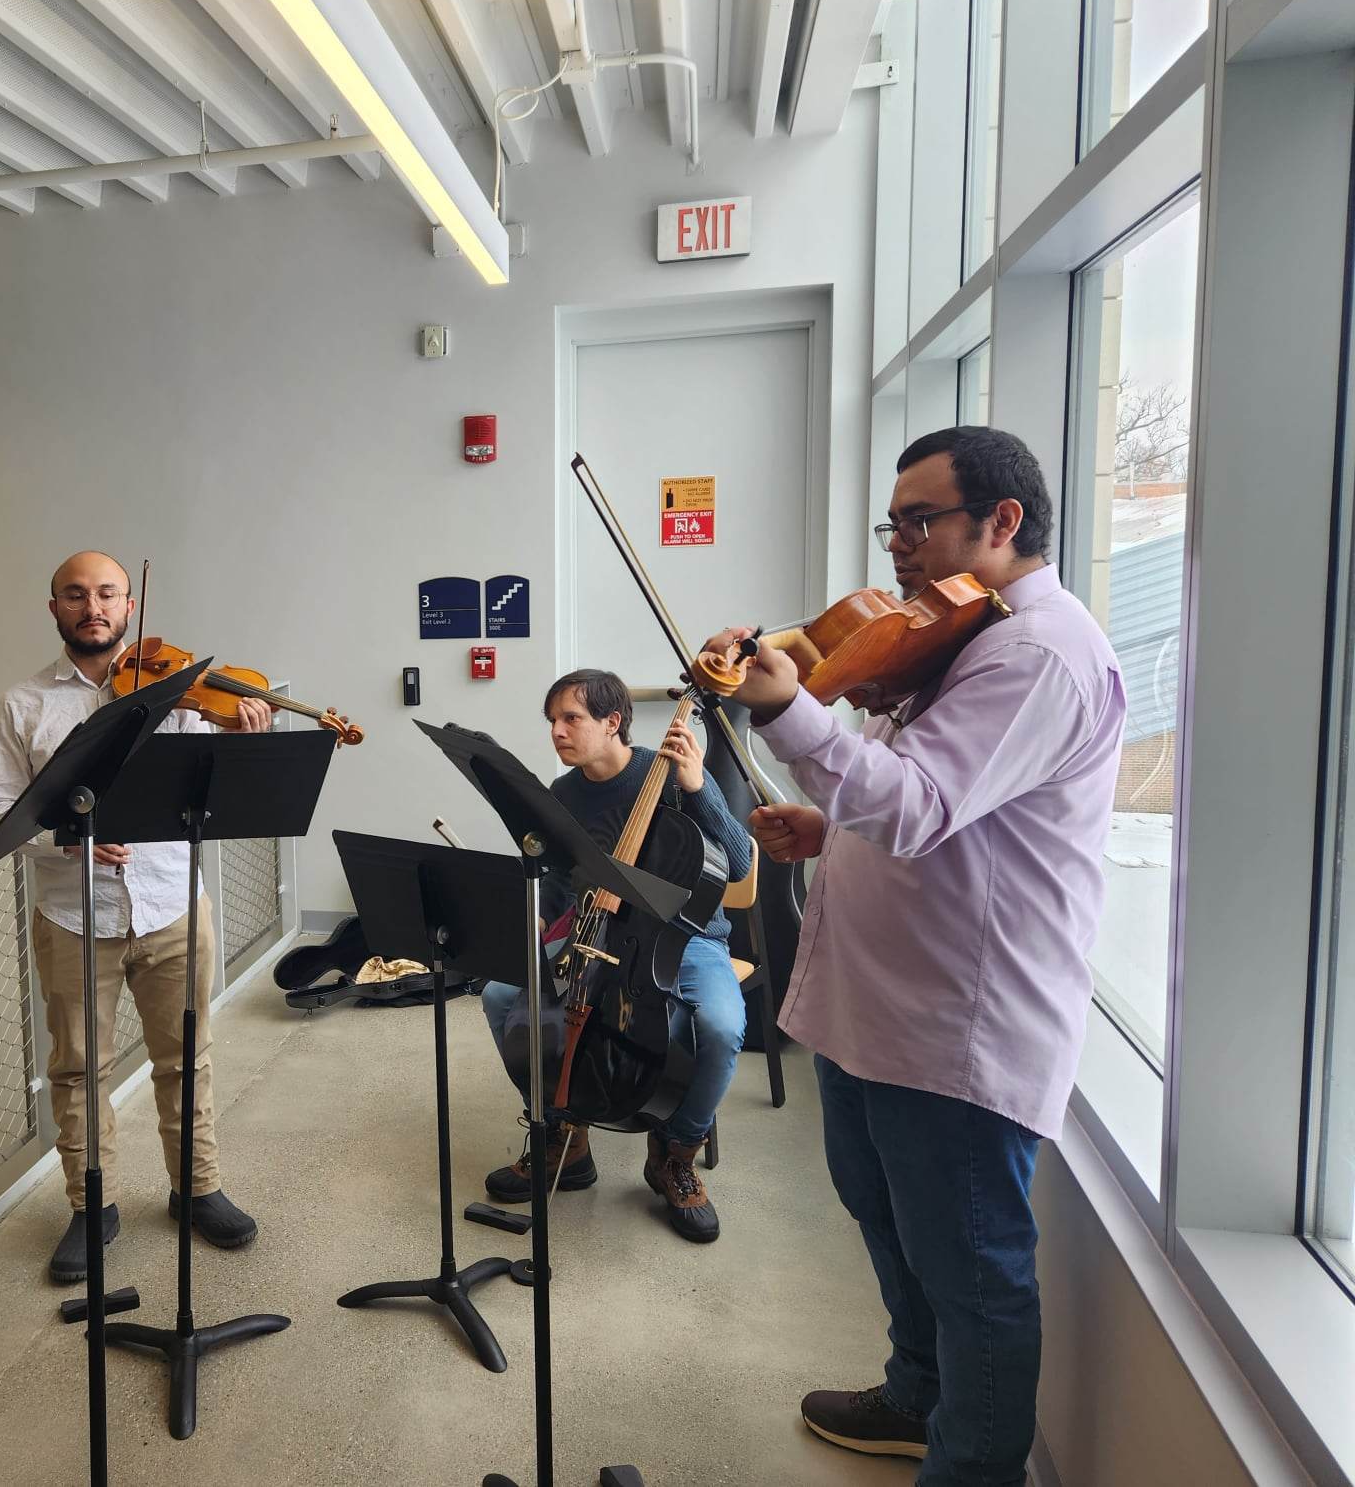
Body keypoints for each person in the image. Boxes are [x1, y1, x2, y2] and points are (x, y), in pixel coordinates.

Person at [706, 426, 1126, 1485]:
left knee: (973, 1276)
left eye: (917, 520)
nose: (896, 544)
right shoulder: (954, 635)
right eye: (890, 522)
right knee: (889, 1225)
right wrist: (822, 824)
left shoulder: (1034, 653)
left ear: (1001, 522)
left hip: (954, 1033)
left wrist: (784, 708)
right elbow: (926, 803)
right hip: (876, 1015)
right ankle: (915, 1397)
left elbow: (922, 807)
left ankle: (970, 1467)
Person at [0, 551, 271, 1283]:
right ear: (54, 608)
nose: (94, 607)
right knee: (78, 1071)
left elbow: (222, 796)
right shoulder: (25, 704)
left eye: (108, 593)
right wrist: (66, 835)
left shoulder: (182, 695)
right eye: (76, 595)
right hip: (74, 912)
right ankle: (92, 1204)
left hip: (174, 901)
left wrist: (244, 743)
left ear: (130, 605)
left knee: (188, 1058)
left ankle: (198, 1188)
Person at [479, 669, 754, 1242]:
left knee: (723, 1027)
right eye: (551, 721)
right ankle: (564, 1133)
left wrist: (699, 785)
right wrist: (537, 911)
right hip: (595, 928)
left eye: (570, 718)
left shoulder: (674, 775)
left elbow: (738, 863)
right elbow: (559, 879)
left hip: (688, 933)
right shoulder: (563, 794)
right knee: (501, 996)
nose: (557, 731)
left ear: (613, 722)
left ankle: (676, 1152)